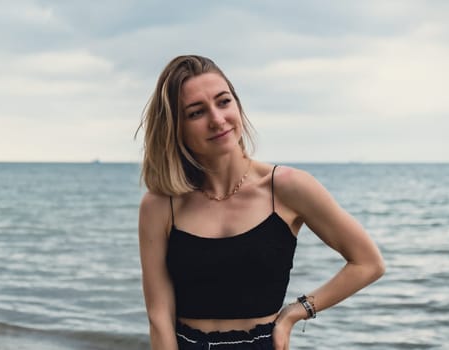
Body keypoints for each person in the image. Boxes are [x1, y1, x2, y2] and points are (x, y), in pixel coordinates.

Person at [136, 55, 385, 350]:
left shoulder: (288, 187)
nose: (217, 119)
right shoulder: (160, 204)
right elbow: (159, 317)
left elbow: (368, 263)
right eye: (196, 113)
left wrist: (297, 311)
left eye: (223, 102)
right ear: (175, 128)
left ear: (238, 105)